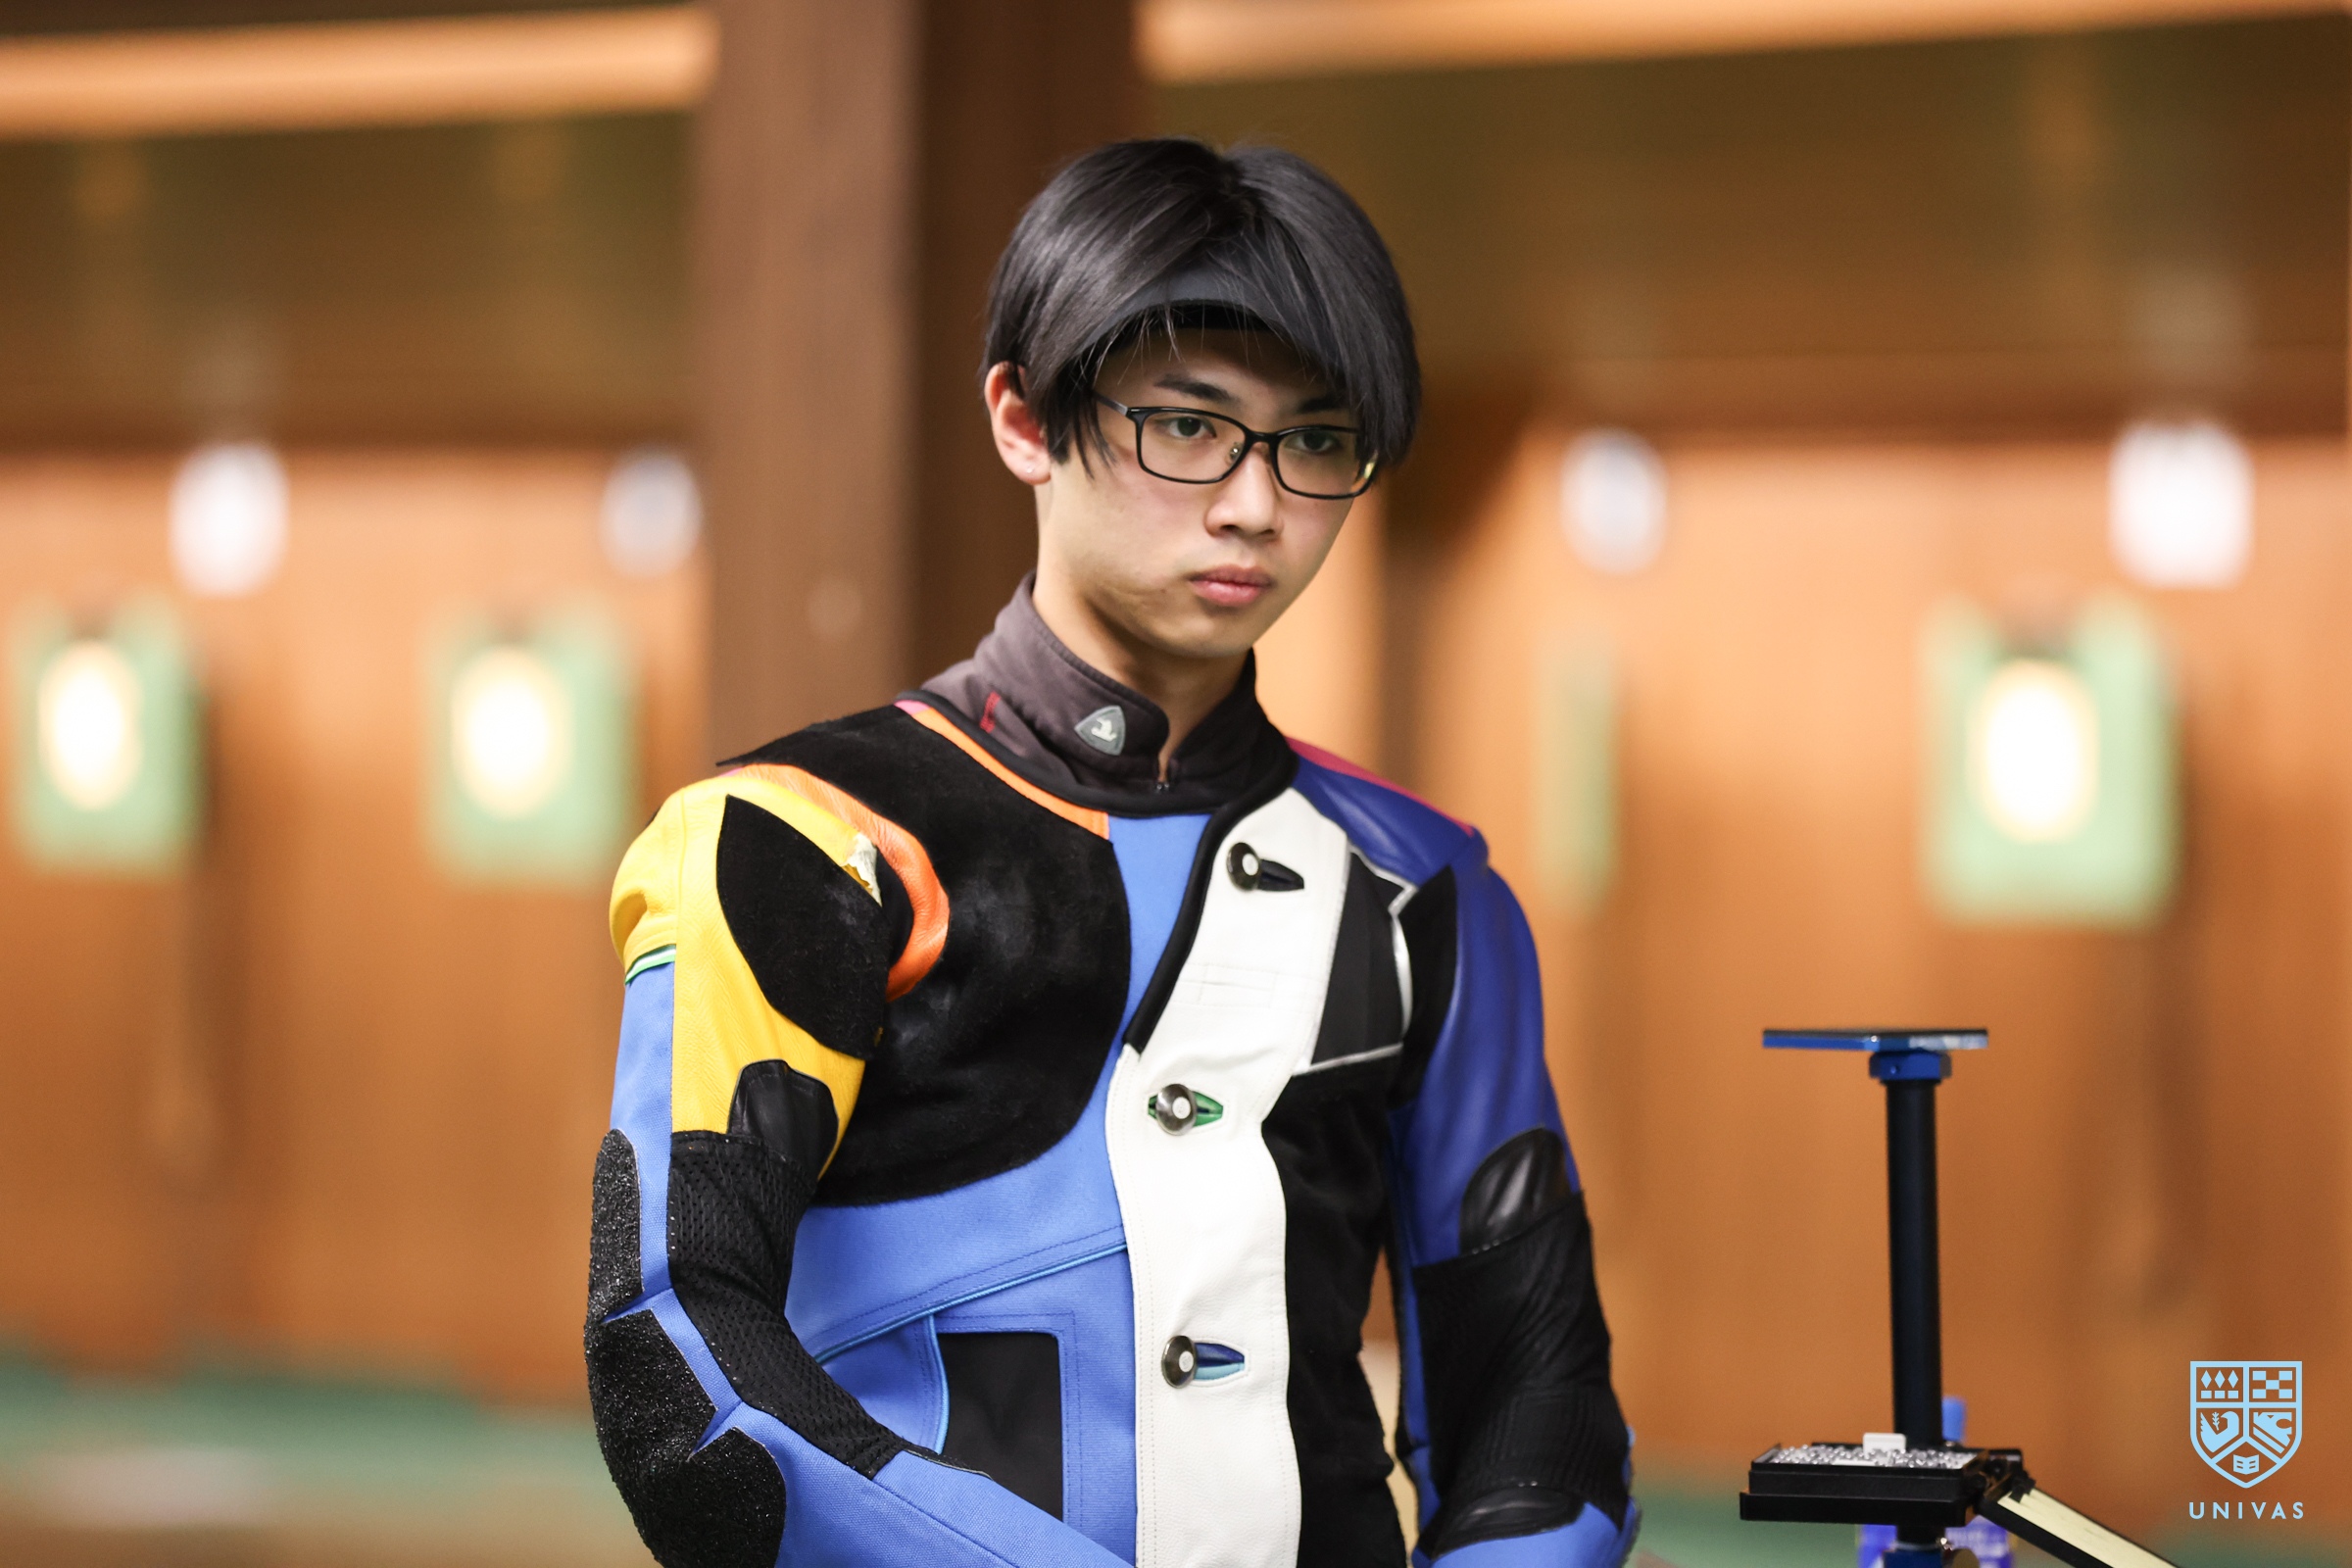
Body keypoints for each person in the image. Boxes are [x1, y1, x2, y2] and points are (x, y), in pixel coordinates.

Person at [585, 137, 1638, 1568]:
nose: (1257, 505)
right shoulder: (799, 836)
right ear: (1025, 418)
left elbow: (1537, 1401)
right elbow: (673, 1352)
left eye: (1318, 442)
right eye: (1189, 427)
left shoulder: (1425, 886)